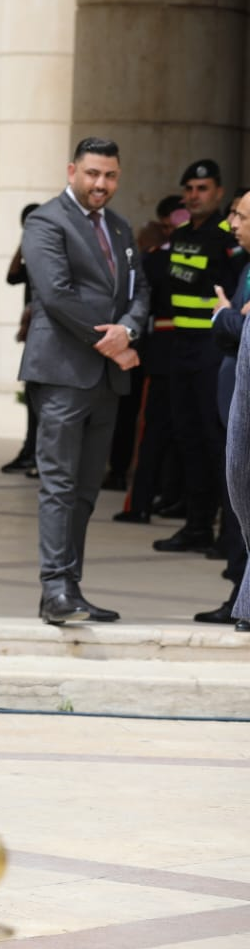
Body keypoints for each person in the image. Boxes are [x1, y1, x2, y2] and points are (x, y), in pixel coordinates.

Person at [19, 137, 147, 625]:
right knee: (59, 483)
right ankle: (54, 587)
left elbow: (140, 289)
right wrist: (111, 342)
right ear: (72, 171)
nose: (101, 184)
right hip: (62, 374)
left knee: (87, 488)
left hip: (105, 380)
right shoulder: (46, 221)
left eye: (110, 175)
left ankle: (69, 588)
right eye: (93, 173)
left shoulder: (120, 227)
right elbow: (56, 295)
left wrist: (128, 329)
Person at [152, 160, 238, 556]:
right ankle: (197, 526)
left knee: (215, 440)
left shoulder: (228, 235)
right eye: (189, 188)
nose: (194, 195)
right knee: (186, 437)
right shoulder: (182, 234)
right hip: (180, 345)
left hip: (212, 348)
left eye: (202, 188)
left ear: (218, 192)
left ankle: (229, 535)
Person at [113, 195, 188, 523]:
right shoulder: (221, 253)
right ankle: (184, 505)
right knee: (191, 434)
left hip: (165, 352)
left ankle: (141, 503)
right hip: (199, 354)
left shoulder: (156, 259)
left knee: (154, 432)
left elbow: (137, 295)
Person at [197, 189, 250, 624]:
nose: (233, 224)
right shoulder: (245, 265)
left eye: (241, 216)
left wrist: (222, 315)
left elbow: (242, 325)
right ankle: (239, 595)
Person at [3, 203, 44, 475]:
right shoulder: (32, 254)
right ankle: (30, 451)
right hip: (34, 335)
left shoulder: (53, 253)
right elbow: (11, 276)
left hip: (49, 334)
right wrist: (23, 243)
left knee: (43, 396)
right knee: (32, 393)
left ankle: (38, 454)